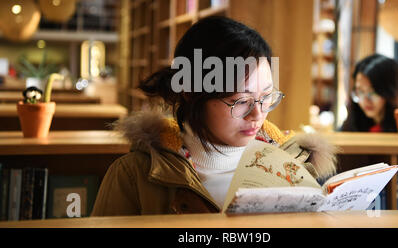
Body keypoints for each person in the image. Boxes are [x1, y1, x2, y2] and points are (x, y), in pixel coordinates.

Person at [91, 16, 337, 216]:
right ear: (190, 91)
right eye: (240, 101)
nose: (257, 114)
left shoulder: (295, 164)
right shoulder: (135, 176)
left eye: (267, 96)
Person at [341, 53, 398, 133]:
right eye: (360, 91)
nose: (365, 101)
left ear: (390, 91)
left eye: (373, 92)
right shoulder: (353, 121)